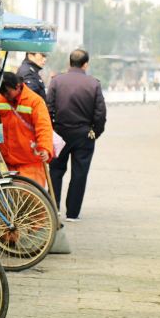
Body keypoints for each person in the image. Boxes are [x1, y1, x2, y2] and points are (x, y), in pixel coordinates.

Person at [46, 49, 107, 221]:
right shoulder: (93, 84)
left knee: (55, 171)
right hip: (84, 134)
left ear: (69, 62)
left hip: (60, 133)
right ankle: (72, 213)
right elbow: (100, 113)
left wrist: (51, 130)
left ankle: (53, 209)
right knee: (79, 174)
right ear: (86, 64)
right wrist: (96, 132)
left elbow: (48, 108)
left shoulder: (56, 81)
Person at [0, 71, 54, 188]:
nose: (4, 95)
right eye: (2, 92)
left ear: (18, 86)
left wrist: (45, 148)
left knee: (31, 201)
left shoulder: (35, 101)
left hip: (30, 163)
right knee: (12, 202)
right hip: (8, 162)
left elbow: (44, 127)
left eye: (7, 91)